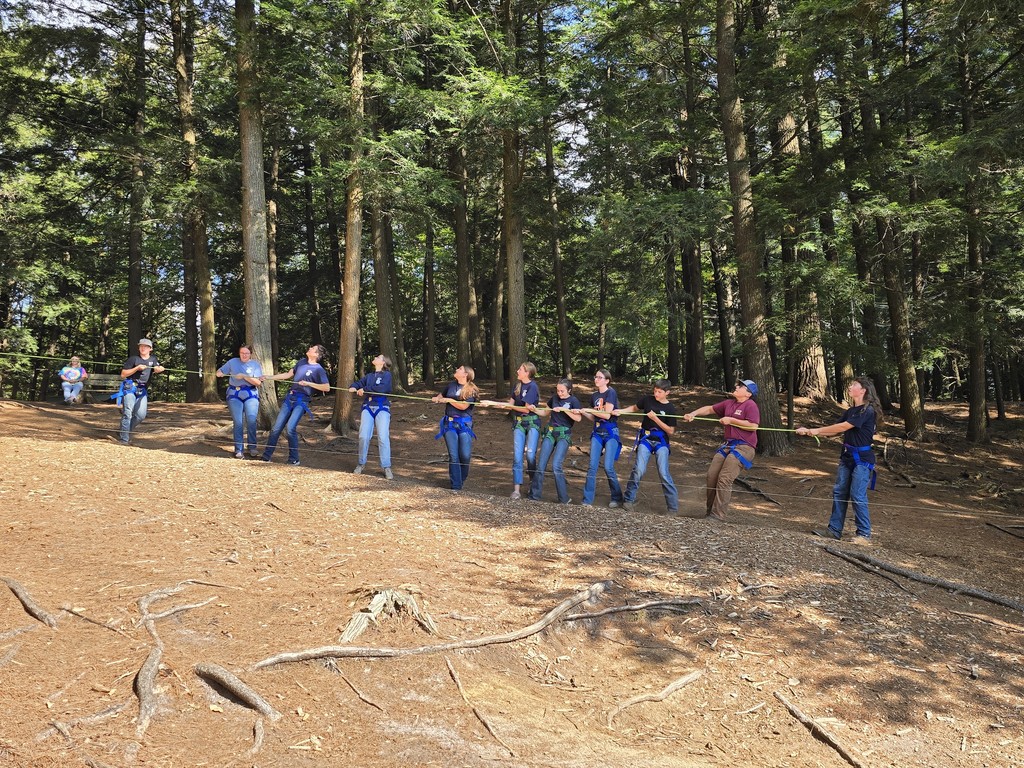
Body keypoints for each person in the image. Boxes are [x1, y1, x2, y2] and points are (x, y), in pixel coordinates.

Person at [797, 376, 881, 546]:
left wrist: (817, 430)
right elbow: (835, 431)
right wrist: (810, 431)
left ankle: (864, 535)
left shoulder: (867, 410)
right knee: (840, 492)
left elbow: (844, 427)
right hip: (847, 458)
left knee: (857, 494)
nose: (850, 387)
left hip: (862, 460)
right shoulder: (851, 411)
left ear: (863, 390)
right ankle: (834, 530)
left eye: (854, 385)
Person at [683, 379, 761, 521]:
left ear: (748, 394)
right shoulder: (729, 403)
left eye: (741, 386)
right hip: (728, 446)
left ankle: (718, 515)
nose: (736, 386)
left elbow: (753, 426)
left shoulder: (750, 405)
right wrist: (693, 414)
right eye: (738, 385)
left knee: (725, 478)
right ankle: (709, 512)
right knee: (712, 476)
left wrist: (731, 420)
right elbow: (709, 409)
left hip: (744, 447)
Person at [260, 344, 330, 466]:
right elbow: (287, 375)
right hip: (289, 399)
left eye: (313, 349)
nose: (309, 348)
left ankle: (294, 459)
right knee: (276, 428)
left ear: (317, 354)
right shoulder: (301, 362)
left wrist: (309, 384)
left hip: (302, 401)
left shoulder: (319, 370)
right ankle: (266, 457)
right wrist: (269, 377)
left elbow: (326, 387)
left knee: (290, 428)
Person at [617, 379, 679, 514]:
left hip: (661, 441)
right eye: (655, 391)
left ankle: (673, 507)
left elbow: (671, 431)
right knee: (639, 469)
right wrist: (620, 411)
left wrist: (655, 418)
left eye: (659, 392)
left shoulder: (670, 408)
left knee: (663, 472)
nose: (656, 394)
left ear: (667, 392)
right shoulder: (647, 400)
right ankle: (628, 500)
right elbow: (634, 408)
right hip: (646, 439)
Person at [529, 379, 582, 504]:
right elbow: (545, 412)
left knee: (556, 465)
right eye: (558, 390)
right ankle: (534, 496)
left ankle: (564, 499)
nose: (559, 393)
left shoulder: (573, 401)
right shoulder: (554, 398)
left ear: (569, 390)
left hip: (564, 434)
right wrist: (534, 409)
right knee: (541, 464)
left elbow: (578, 418)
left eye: (562, 391)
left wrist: (565, 410)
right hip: (550, 432)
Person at [580, 369, 624, 508]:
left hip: (610, 432)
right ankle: (587, 500)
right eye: (596, 377)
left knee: (608, 467)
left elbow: (606, 415)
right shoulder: (594, 395)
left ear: (607, 380)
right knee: (592, 466)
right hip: (597, 432)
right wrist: (584, 412)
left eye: (600, 377)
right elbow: (594, 417)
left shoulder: (611, 392)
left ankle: (617, 497)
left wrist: (590, 410)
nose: (596, 379)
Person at [432, 365, 478, 491]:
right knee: (453, 455)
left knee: (465, 456)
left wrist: (448, 400)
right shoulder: (451, 385)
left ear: (465, 374)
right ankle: (456, 486)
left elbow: (463, 407)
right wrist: (438, 398)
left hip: (464, 425)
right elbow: (441, 395)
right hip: (449, 424)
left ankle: (461, 479)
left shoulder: (471, 389)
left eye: (460, 369)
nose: (457, 369)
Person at [349, 353, 394, 480]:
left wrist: (365, 389)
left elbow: (383, 388)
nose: (375, 358)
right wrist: (353, 387)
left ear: (383, 362)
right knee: (363, 436)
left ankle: (386, 466)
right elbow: (359, 383)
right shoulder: (369, 376)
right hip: (367, 407)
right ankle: (361, 463)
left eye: (378, 357)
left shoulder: (387, 375)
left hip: (382, 407)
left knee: (383, 437)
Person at [216, 345, 265, 459]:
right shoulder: (232, 362)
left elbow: (258, 382)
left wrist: (244, 376)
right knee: (238, 422)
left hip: (250, 394)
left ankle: (252, 447)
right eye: (242, 353)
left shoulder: (255, 365)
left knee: (251, 420)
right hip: (234, 394)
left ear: (250, 354)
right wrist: (219, 373)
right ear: (239, 353)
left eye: (246, 353)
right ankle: (238, 449)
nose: (244, 355)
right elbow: (220, 371)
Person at [115, 339, 166, 444]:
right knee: (127, 413)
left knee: (140, 415)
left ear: (150, 349)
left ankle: (124, 431)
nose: (143, 348)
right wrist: (137, 368)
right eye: (141, 346)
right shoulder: (133, 359)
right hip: (130, 387)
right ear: (138, 348)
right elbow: (123, 374)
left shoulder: (153, 359)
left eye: (146, 346)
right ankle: (124, 439)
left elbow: (157, 367)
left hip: (142, 390)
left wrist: (159, 369)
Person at [503, 362, 541, 499]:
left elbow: (526, 408)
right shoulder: (517, 386)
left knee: (530, 455)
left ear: (527, 373)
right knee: (517, 456)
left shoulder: (533, 386)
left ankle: (532, 481)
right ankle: (516, 490)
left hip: (532, 423)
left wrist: (510, 407)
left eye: (520, 369)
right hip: (518, 423)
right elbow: (510, 404)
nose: (517, 371)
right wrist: (500, 405)